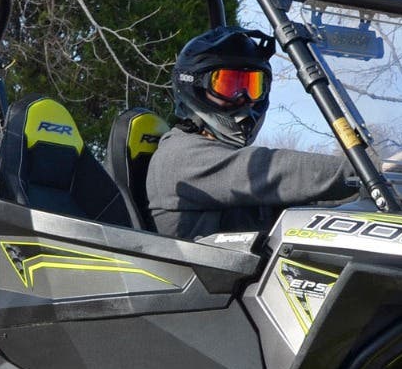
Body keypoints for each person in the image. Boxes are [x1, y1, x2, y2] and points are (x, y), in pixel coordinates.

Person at [146, 26, 355, 240]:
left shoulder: (228, 169)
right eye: (228, 85)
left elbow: (289, 200)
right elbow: (272, 170)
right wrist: (362, 173)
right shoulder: (181, 155)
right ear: (195, 87)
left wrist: (367, 192)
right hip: (199, 272)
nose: (243, 98)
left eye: (253, 86)